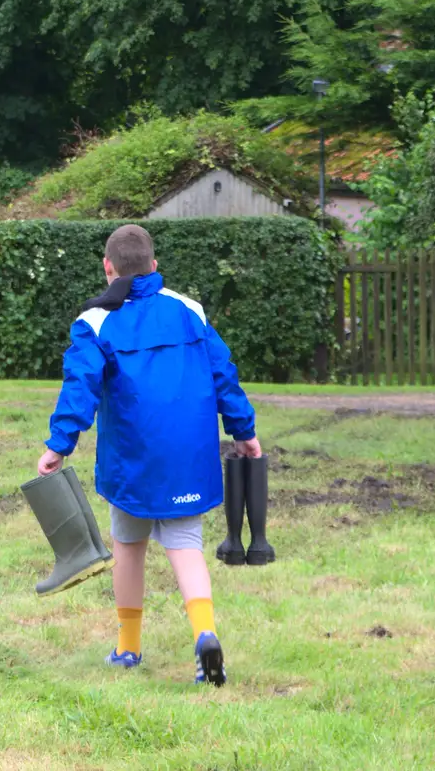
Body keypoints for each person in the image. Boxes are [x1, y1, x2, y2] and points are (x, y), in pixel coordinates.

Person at [37, 224, 260, 687]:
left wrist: (59, 445)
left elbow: (80, 386)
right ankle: (205, 636)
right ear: (155, 266)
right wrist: (244, 431)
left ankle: (128, 646)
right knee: (186, 546)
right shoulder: (189, 310)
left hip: (131, 460)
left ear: (108, 267)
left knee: (128, 545)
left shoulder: (95, 321)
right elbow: (224, 374)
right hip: (188, 456)